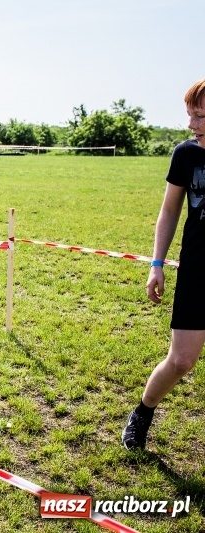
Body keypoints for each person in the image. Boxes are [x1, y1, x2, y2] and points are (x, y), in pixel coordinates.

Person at [122, 78, 205, 451]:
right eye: (190, 115)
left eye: (199, 116)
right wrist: (156, 263)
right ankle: (143, 411)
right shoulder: (186, 155)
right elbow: (170, 209)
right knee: (182, 360)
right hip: (197, 269)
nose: (191, 125)